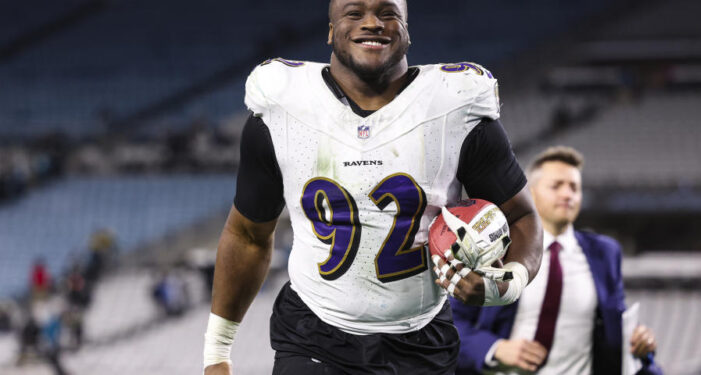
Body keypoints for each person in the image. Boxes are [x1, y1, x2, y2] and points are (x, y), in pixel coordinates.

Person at [203, 0, 544, 373]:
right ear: (331, 30)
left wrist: (504, 285)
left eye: (387, 13)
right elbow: (248, 235)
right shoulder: (284, 107)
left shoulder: (454, 108)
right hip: (313, 333)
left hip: (421, 339)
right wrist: (217, 351)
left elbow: (522, 215)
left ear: (407, 31)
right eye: (354, 13)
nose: (372, 23)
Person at [451, 146, 661, 374]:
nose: (567, 194)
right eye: (556, 186)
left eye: (574, 187)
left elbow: (616, 325)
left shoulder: (605, 253)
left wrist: (639, 340)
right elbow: (454, 325)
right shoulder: (494, 248)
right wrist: (495, 348)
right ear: (530, 194)